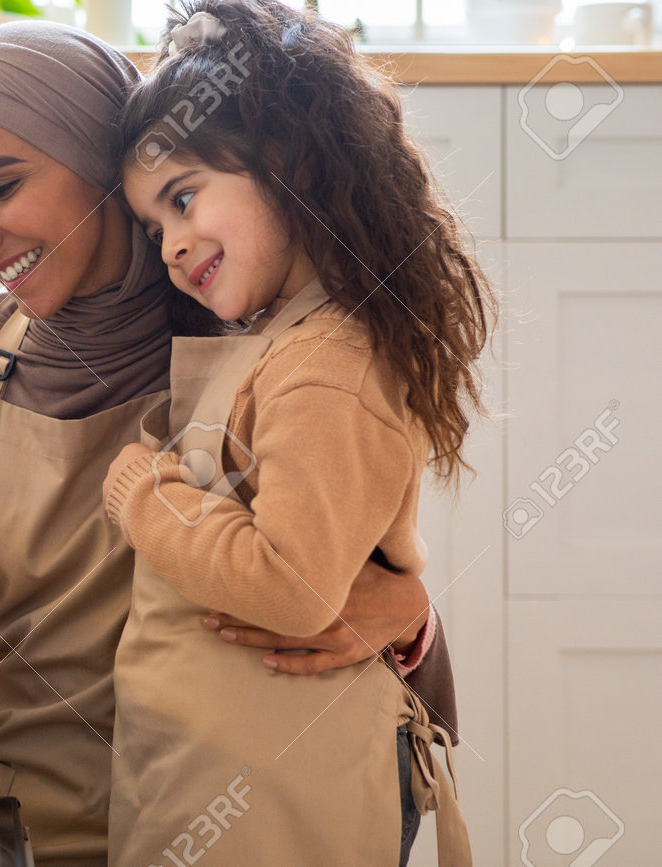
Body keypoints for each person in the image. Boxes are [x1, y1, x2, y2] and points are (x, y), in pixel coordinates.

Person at [0, 19, 458, 866]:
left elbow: (331, 572)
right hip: (24, 831)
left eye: (1, 187)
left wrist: (410, 617)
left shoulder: (259, 331)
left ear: (105, 166)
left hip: (244, 822)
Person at [101, 2, 493, 864]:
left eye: (184, 197)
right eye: (153, 225)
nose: (169, 244)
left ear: (290, 163)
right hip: (215, 781)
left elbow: (293, 586)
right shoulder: (282, 338)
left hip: (285, 796)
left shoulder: (326, 362)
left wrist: (145, 493)